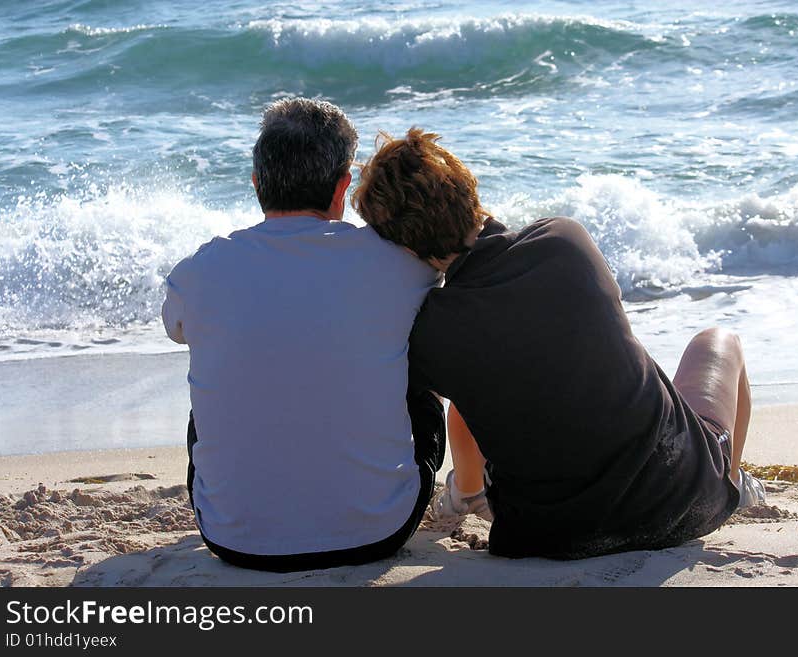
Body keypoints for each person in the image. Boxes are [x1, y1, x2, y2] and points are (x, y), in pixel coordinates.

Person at [351, 128, 766, 560]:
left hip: (545, 536)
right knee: (719, 340)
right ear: (468, 190)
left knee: (478, 386)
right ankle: (730, 480)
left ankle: (466, 494)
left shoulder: (429, 333)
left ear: (401, 245)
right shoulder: (566, 240)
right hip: (681, 502)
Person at [161, 101, 443, 572]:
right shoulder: (398, 264)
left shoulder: (199, 271)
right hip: (377, 531)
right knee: (414, 371)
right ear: (343, 186)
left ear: (256, 183)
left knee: (220, 381)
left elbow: (177, 330)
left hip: (233, 538)